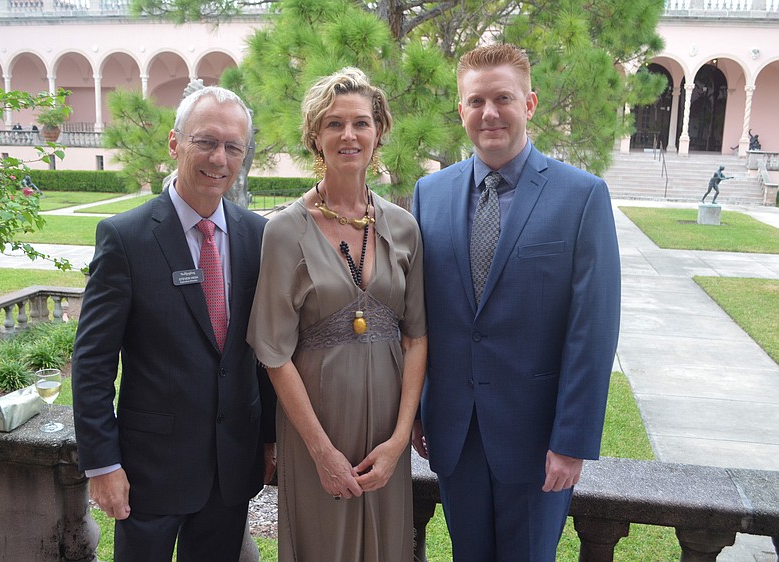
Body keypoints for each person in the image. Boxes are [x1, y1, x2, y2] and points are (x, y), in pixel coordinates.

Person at [411, 43, 621, 561]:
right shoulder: (428, 194)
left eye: (502, 98)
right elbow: (417, 316)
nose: (489, 113)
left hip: (537, 439)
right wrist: (416, 410)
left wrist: (571, 441)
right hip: (455, 433)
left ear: (529, 104)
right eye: (476, 101)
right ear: (461, 109)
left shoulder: (581, 196)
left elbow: (592, 331)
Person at [72, 85, 276, 562]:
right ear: (174, 143)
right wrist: (102, 464)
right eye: (206, 141)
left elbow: (264, 351)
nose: (219, 158)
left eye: (233, 147)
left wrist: (267, 437)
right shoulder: (125, 238)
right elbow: (93, 362)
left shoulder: (258, 236)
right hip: (150, 472)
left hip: (231, 468)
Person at [247, 67, 427, 561]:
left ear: (378, 132)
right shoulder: (284, 231)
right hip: (316, 431)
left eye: (361, 123)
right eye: (334, 123)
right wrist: (321, 452)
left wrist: (398, 441)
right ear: (314, 136)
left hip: (386, 434)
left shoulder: (404, 228)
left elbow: (416, 338)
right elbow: (274, 353)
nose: (349, 134)